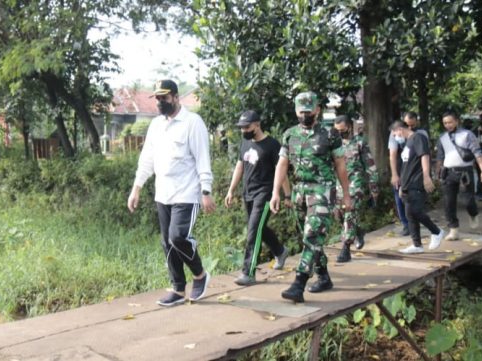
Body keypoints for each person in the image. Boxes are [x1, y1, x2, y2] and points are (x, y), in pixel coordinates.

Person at [127, 79, 216, 307]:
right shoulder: (156, 125)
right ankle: (177, 289)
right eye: (157, 98)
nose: (160, 102)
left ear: (175, 97)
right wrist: (136, 188)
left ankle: (199, 274)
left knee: (178, 236)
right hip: (163, 193)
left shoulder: (192, 123)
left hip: (187, 193)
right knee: (167, 242)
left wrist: (206, 191)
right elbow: (146, 159)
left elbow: (202, 159)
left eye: (164, 98)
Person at [269, 91, 352, 303]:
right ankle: (323, 277)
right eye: (301, 111)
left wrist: (346, 195)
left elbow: (341, 166)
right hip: (300, 193)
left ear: (317, 110)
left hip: (322, 191)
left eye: (309, 110)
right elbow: (282, 164)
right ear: (296, 111)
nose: (305, 114)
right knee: (310, 239)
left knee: (312, 235)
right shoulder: (290, 135)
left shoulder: (330, 135)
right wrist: (275, 192)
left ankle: (299, 283)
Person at [224, 110, 291, 286]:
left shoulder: (272, 145)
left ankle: (248, 272)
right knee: (258, 227)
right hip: (248, 193)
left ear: (257, 124)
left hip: (265, 193)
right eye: (241, 128)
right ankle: (280, 250)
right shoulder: (245, 143)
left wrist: (287, 195)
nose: (243, 130)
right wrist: (231, 190)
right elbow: (239, 167)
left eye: (246, 127)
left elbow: (281, 171)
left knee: (253, 231)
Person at [390, 120, 445, 254]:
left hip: (417, 182)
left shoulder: (418, 138)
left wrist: (426, 176)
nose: (395, 137)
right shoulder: (408, 142)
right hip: (407, 184)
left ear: (400, 130)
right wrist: (402, 185)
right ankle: (417, 245)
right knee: (410, 215)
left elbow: (424, 157)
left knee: (415, 211)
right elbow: (406, 166)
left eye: (395, 134)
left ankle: (436, 231)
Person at [435, 111, 482, 241]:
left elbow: (477, 152)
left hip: (464, 172)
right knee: (448, 203)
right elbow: (439, 157)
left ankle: (473, 213)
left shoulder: (467, 134)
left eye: (450, 122)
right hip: (448, 173)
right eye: (445, 123)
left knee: (468, 200)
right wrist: (437, 173)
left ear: (456, 121)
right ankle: (453, 230)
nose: (447, 125)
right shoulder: (442, 137)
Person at [333, 115, 379, 262]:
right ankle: (358, 231)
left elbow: (370, 166)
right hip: (339, 184)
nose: (339, 132)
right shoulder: (334, 144)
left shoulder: (359, 142)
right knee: (340, 215)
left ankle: (345, 248)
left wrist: (374, 188)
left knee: (350, 212)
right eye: (336, 130)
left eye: (342, 129)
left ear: (349, 127)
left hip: (356, 183)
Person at [388, 112, 429, 236]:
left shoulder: (420, 135)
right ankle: (408, 226)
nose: (410, 128)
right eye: (408, 125)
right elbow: (393, 155)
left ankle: (432, 231)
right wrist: (394, 174)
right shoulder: (395, 134)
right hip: (403, 170)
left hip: (416, 172)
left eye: (412, 125)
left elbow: (425, 155)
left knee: (414, 205)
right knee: (401, 199)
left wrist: (426, 175)